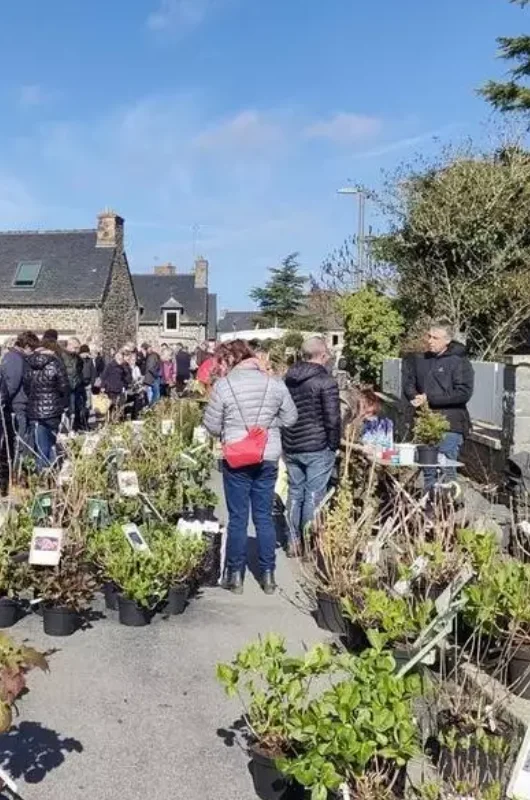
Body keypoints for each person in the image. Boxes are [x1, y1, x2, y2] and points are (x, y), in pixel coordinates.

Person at [203, 339, 298, 595]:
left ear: (232, 360)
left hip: (236, 456)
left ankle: (234, 576)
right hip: (267, 454)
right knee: (264, 517)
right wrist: (266, 426)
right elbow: (291, 418)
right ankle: (268, 576)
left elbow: (211, 425)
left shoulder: (224, 386)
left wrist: (231, 430)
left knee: (238, 517)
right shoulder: (275, 384)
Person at [282, 337, 341, 556]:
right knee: (314, 495)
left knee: (295, 493)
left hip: (292, 443)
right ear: (322, 355)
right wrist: (333, 445)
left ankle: (292, 541)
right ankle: (308, 544)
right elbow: (333, 419)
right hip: (317, 445)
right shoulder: (326, 382)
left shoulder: (287, 379)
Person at [403, 319, 474, 488]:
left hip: (450, 425)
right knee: (428, 470)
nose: (430, 341)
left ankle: (449, 508)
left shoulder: (459, 362)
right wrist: (415, 396)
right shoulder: (421, 360)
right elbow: (409, 383)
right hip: (425, 424)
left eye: (435, 338)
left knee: (445, 470)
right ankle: (430, 508)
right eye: (429, 336)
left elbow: (463, 393)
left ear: (447, 340)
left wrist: (430, 398)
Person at [25, 336, 70, 472]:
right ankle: (52, 473)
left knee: (40, 445)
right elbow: (64, 387)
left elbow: (26, 387)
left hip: (34, 410)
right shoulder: (56, 363)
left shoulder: (29, 364)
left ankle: (42, 475)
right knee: (51, 443)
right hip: (53, 410)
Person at [0, 331, 39, 463]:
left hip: (18, 404)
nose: (32, 352)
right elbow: (11, 384)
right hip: (16, 405)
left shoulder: (14, 357)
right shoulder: (14, 359)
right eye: (32, 349)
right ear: (26, 346)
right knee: (19, 442)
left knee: (19, 440)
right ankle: (17, 471)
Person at [62, 337, 85, 430]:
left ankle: (76, 427)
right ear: (69, 345)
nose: (77, 350)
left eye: (78, 348)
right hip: (67, 388)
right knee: (69, 410)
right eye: (75, 348)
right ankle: (69, 429)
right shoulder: (62, 356)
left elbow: (79, 372)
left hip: (77, 387)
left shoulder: (78, 358)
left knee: (77, 409)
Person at [101, 350, 130, 417]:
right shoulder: (110, 365)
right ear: (116, 358)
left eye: (122, 358)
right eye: (119, 358)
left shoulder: (123, 367)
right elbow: (103, 376)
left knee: (119, 405)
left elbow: (127, 377)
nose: (121, 360)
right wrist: (102, 387)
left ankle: (116, 419)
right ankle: (111, 419)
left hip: (119, 389)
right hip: (111, 389)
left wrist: (125, 385)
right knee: (112, 405)